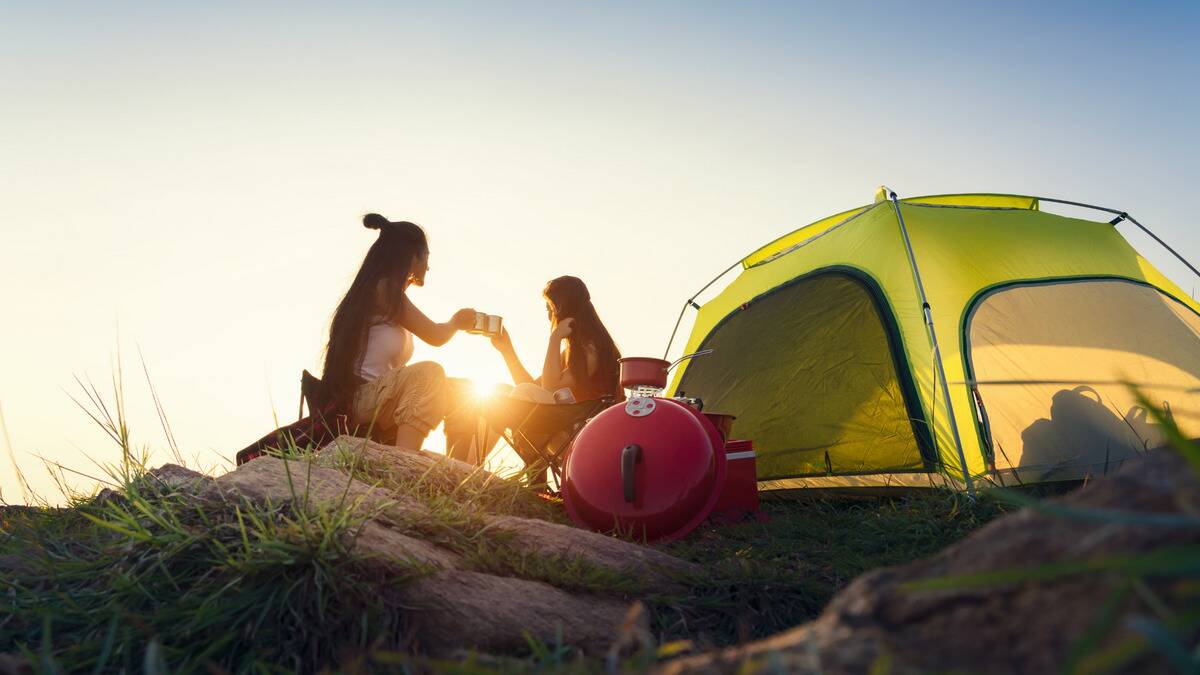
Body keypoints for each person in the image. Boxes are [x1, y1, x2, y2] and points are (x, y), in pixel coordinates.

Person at [321, 213, 476, 451]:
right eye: (426, 256)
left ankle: (460, 469)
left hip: (380, 397)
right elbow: (435, 335)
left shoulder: (389, 294)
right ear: (412, 256)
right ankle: (404, 460)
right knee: (429, 373)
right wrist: (456, 322)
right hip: (359, 398)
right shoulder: (383, 289)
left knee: (466, 391)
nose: (428, 265)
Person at [490, 275, 622, 403]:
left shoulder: (591, 351)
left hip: (582, 423)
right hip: (565, 418)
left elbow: (550, 389)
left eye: (551, 309)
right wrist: (506, 350)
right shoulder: (575, 351)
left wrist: (555, 339)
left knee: (521, 391)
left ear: (563, 310)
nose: (549, 317)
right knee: (501, 390)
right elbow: (535, 390)